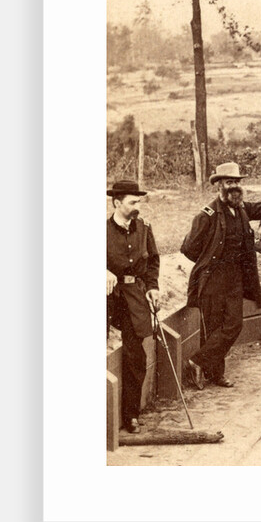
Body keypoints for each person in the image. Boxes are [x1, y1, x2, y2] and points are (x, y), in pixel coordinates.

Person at [180, 162, 261, 389]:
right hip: (213, 279)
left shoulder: (243, 208)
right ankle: (214, 375)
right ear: (219, 186)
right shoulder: (207, 214)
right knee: (213, 328)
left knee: (233, 325)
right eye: (229, 182)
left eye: (236, 182)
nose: (234, 187)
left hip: (235, 279)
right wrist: (208, 260)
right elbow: (187, 248)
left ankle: (196, 361)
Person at [106, 180, 160, 433]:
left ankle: (130, 415)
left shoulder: (144, 228)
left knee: (136, 356)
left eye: (138, 201)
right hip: (108, 298)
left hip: (135, 297)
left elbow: (153, 262)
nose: (137, 206)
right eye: (132, 202)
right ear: (117, 203)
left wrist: (152, 287)